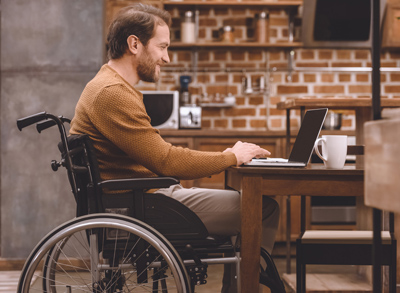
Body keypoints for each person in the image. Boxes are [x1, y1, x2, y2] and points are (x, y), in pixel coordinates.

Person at [69, 3, 280, 292]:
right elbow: (166, 161)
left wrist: (226, 156)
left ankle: (243, 283)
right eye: (162, 47)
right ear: (134, 44)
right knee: (263, 207)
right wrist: (231, 156)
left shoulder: (109, 87)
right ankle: (252, 283)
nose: (167, 58)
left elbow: (159, 154)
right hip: (142, 205)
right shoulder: (112, 94)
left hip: (143, 196)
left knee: (248, 204)